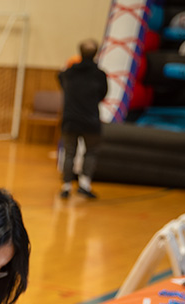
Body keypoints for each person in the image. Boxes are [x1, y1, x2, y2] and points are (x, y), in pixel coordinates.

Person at [58, 39, 108, 199]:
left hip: (70, 120)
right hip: (91, 120)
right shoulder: (99, 75)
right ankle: (84, 185)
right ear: (96, 53)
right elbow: (103, 94)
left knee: (69, 153)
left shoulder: (69, 73)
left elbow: (60, 79)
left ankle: (66, 186)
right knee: (91, 152)